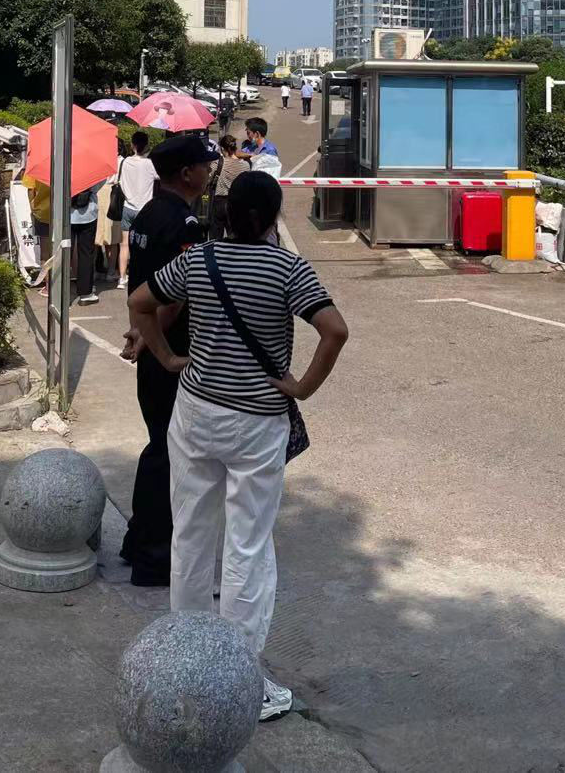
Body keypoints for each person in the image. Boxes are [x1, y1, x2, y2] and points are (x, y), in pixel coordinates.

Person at [126, 171, 348, 721]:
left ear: (225, 214)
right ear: (273, 216)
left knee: (191, 533)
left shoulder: (198, 260)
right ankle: (239, 679)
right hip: (257, 423)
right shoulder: (287, 268)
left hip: (196, 412)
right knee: (247, 546)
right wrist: (303, 386)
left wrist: (166, 357)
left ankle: (185, 660)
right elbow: (335, 330)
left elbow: (139, 301)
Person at [119, 134, 212, 586]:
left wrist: (139, 334)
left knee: (158, 444)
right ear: (186, 173)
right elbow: (174, 297)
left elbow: (138, 286)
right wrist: (161, 347)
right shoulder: (186, 223)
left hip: (150, 343)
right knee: (170, 453)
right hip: (171, 350)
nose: (209, 171)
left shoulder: (149, 214)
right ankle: (154, 558)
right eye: (204, 165)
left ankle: (137, 541)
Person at [117, 131, 159, 290]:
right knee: (144, 244)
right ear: (146, 144)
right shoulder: (149, 164)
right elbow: (158, 177)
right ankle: (143, 275)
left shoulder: (125, 162)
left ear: (133, 144)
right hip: (145, 210)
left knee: (124, 245)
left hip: (127, 207)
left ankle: (121, 278)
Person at [209, 134, 248, 241]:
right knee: (235, 236)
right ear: (235, 147)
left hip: (219, 202)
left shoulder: (217, 163)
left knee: (215, 237)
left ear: (222, 148)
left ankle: (215, 256)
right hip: (236, 203)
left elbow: (208, 179)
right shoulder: (245, 165)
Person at [70, 182, 103, 304]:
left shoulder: (62, 164)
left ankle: (61, 293)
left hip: (66, 214)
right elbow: (100, 183)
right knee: (86, 254)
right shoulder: (92, 165)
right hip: (88, 214)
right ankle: (85, 293)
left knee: (64, 253)